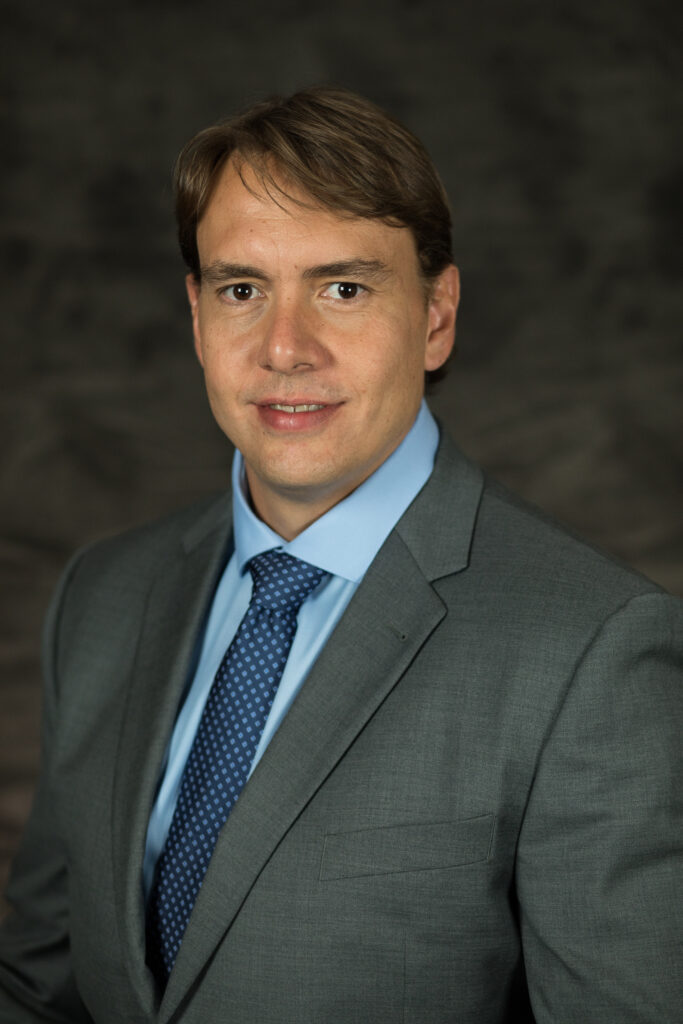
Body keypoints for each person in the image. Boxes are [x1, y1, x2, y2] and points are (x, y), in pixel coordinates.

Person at [0, 86, 681, 1024]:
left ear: (436, 315)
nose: (286, 348)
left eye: (343, 288)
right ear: (197, 316)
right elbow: (38, 987)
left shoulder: (591, 649)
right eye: (243, 290)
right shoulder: (103, 595)